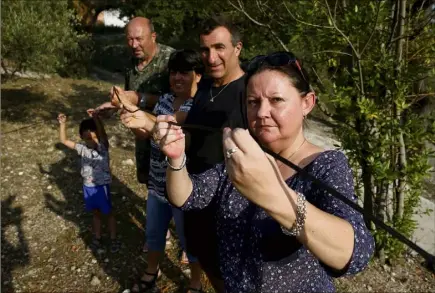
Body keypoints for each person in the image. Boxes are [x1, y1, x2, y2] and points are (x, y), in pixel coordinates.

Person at [154, 51, 375, 292]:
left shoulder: (326, 165)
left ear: (307, 103)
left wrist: (272, 195)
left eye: (276, 100)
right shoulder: (244, 155)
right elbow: (187, 196)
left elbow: (355, 254)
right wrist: (176, 159)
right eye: (253, 102)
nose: (261, 112)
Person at [118, 49, 205, 293]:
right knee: (154, 234)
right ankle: (151, 270)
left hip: (186, 191)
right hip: (157, 186)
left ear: (198, 75)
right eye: (173, 72)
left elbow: (171, 126)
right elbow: (149, 134)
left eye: (184, 73)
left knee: (190, 241)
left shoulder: (199, 105)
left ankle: (196, 281)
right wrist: (133, 121)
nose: (177, 78)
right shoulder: (165, 100)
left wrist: (142, 116)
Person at [95, 16, 175, 252]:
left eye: (139, 38)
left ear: (153, 36)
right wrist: (113, 106)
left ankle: (184, 234)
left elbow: (185, 98)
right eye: (129, 39)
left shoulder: (172, 60)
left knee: (176, 184)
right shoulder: (132, 64)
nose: (134, 44)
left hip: (170, 135)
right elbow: (130, 98)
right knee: (150, 183)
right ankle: (162, 229)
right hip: (142, 137)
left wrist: (139, 98)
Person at [57, 110, 120, 253]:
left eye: (93, 133)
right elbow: (64, 140)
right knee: (96, 213)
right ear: (81, 136)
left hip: (101, 187)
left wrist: (96, 118)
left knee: (108, 213)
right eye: (86, 134)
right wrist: (62, 124)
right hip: (88, 187)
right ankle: (97, 237)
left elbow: (102, 134)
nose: (90, 136)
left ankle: (113, 237)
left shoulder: (103, 147)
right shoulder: (82, 148)